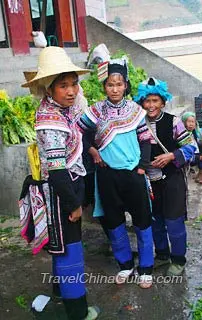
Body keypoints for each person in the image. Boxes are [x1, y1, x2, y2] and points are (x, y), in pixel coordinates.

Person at [21, 46, 99, 320]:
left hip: (68, 185)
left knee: (61, 245)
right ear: (49, 90)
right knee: (70, 251)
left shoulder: (64, 110)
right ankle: (78, 311)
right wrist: (74, 204)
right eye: (63, 86)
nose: (71, 91)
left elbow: (83, 112)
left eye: (74, 84)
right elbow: (56, 170)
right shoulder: (50, 121)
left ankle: (58, 292)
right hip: (61, 192)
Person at [77, 58, 154, 289]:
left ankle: (146, 268)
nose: (115, 89)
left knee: (142, 221)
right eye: (110, 84)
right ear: (104, 86)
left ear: (126, 85)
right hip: (107, 175)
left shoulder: (136, 111)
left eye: (119, 84)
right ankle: (125, 265)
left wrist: (142, 167)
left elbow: (146, 140)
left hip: (133, 174)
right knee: (114, 221)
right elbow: (80, 134)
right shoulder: (96, 111)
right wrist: (92, 151)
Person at [133, 77, 196, 276]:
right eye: (147, 101)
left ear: (162, 101)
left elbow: (191, 147)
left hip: (172, 180)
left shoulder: (174, 122)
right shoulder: (137, 123)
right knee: (155, 221)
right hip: (149, 183)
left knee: (174, 222)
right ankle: (162, 254)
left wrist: (172, 156)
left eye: (155, 101)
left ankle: (178, 259)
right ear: (141, 102)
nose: (151, 105)